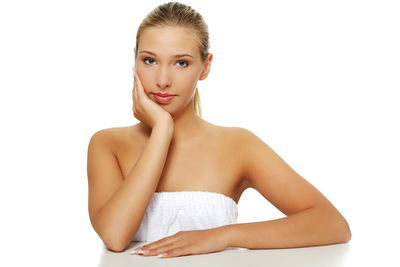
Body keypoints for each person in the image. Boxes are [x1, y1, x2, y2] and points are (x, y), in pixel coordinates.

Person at [86, 1, 351, 258]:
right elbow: (115, 237)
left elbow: (332, 224)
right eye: (150, 61)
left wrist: (221, 235)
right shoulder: (107, 144)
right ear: (135, 61)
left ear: (205, 67)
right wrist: (162, 131)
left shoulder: (238, 145)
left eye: (181, 63)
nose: (163, 80)